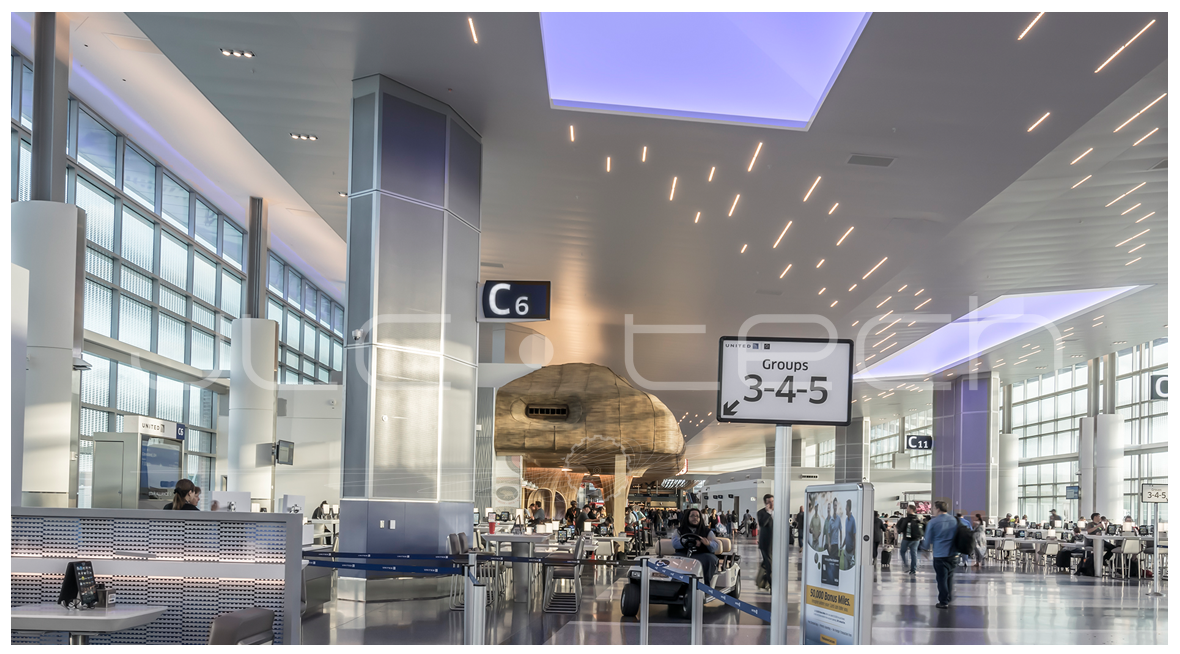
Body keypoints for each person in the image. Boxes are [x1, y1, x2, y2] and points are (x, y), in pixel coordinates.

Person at [922, 500, 958, 609]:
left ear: (937, 509)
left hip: (940, 554)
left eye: (933, 508)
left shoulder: (933, 522)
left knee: (941, 578)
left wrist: (925, 549)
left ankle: (943, 601)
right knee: (949, 577)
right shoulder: (954, 520)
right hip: (953, 554)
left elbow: (927, 539)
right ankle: (949, 597)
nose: (932, 510)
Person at [673, 508, 721, 583]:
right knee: (674, 560)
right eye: (692, 516)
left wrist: (708, 543)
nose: (695, 518)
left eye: (697, 516)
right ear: (687, 517)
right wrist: (688, 541)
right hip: (684, 553)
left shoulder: (707, 531)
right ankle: (676, 583)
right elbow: (675, 544)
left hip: (703, 554)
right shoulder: (679, 530)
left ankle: (705, 586)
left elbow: (716, 545)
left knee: (709, 560)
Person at [897, 505, 923, 575]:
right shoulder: (918, 519)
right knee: (913, 554)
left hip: (906, 539)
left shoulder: (905, 519)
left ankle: (906, 565)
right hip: (916, 539)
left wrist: (899, 531)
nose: (906, 509)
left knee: (902, 551)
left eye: (907, 508)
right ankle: (913, 570)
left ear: (911, 510)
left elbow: (900, 529)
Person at [756, 494, 774, 590]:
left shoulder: (778, 511)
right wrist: (768, 512)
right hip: (766, 544)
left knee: (769, 564)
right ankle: (773, 587)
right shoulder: (761, 513)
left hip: (776, 544)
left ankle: (762, 580)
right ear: (765, 503)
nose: (771, 504)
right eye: (768, 502)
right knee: (770, 566)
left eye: (772, 501)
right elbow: (763, 523)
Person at [843, 499, 857, 568]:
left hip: (851, 552)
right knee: (845, 569)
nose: (845, 509)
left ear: (848, 508)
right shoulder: (846, 520)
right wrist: (842, 545)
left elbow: (854, 537)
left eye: (846, 507)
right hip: (846, 551)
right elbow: (847, 535)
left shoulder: (853, 520)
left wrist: (854, 553)